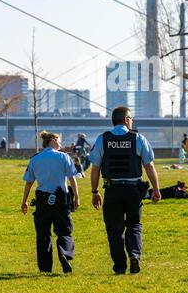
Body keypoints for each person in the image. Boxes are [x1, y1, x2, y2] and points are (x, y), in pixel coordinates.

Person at [89, 106, 161, 275]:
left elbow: (95, 168)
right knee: (134, 225)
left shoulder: (103, 139)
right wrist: (156, 189)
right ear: (127, 120)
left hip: (112, 189)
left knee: (114, 229)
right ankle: (134, 255)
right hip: (133, 190)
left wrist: (94, 192)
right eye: (131, 119)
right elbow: (149, 166)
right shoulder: (138, 138)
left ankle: (120, 266)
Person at [21, 130, 79, 274]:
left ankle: (45, 268)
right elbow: (72, 178)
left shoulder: (35, 159)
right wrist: (77, 197)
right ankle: (64, 254)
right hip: (61, 200)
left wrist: (24, 201)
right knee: (64, 231)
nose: (61, 144)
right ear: (52, 141)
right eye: (59, 141)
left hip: (43, 201)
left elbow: (29, 182)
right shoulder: (64, 157)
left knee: (43, 235)